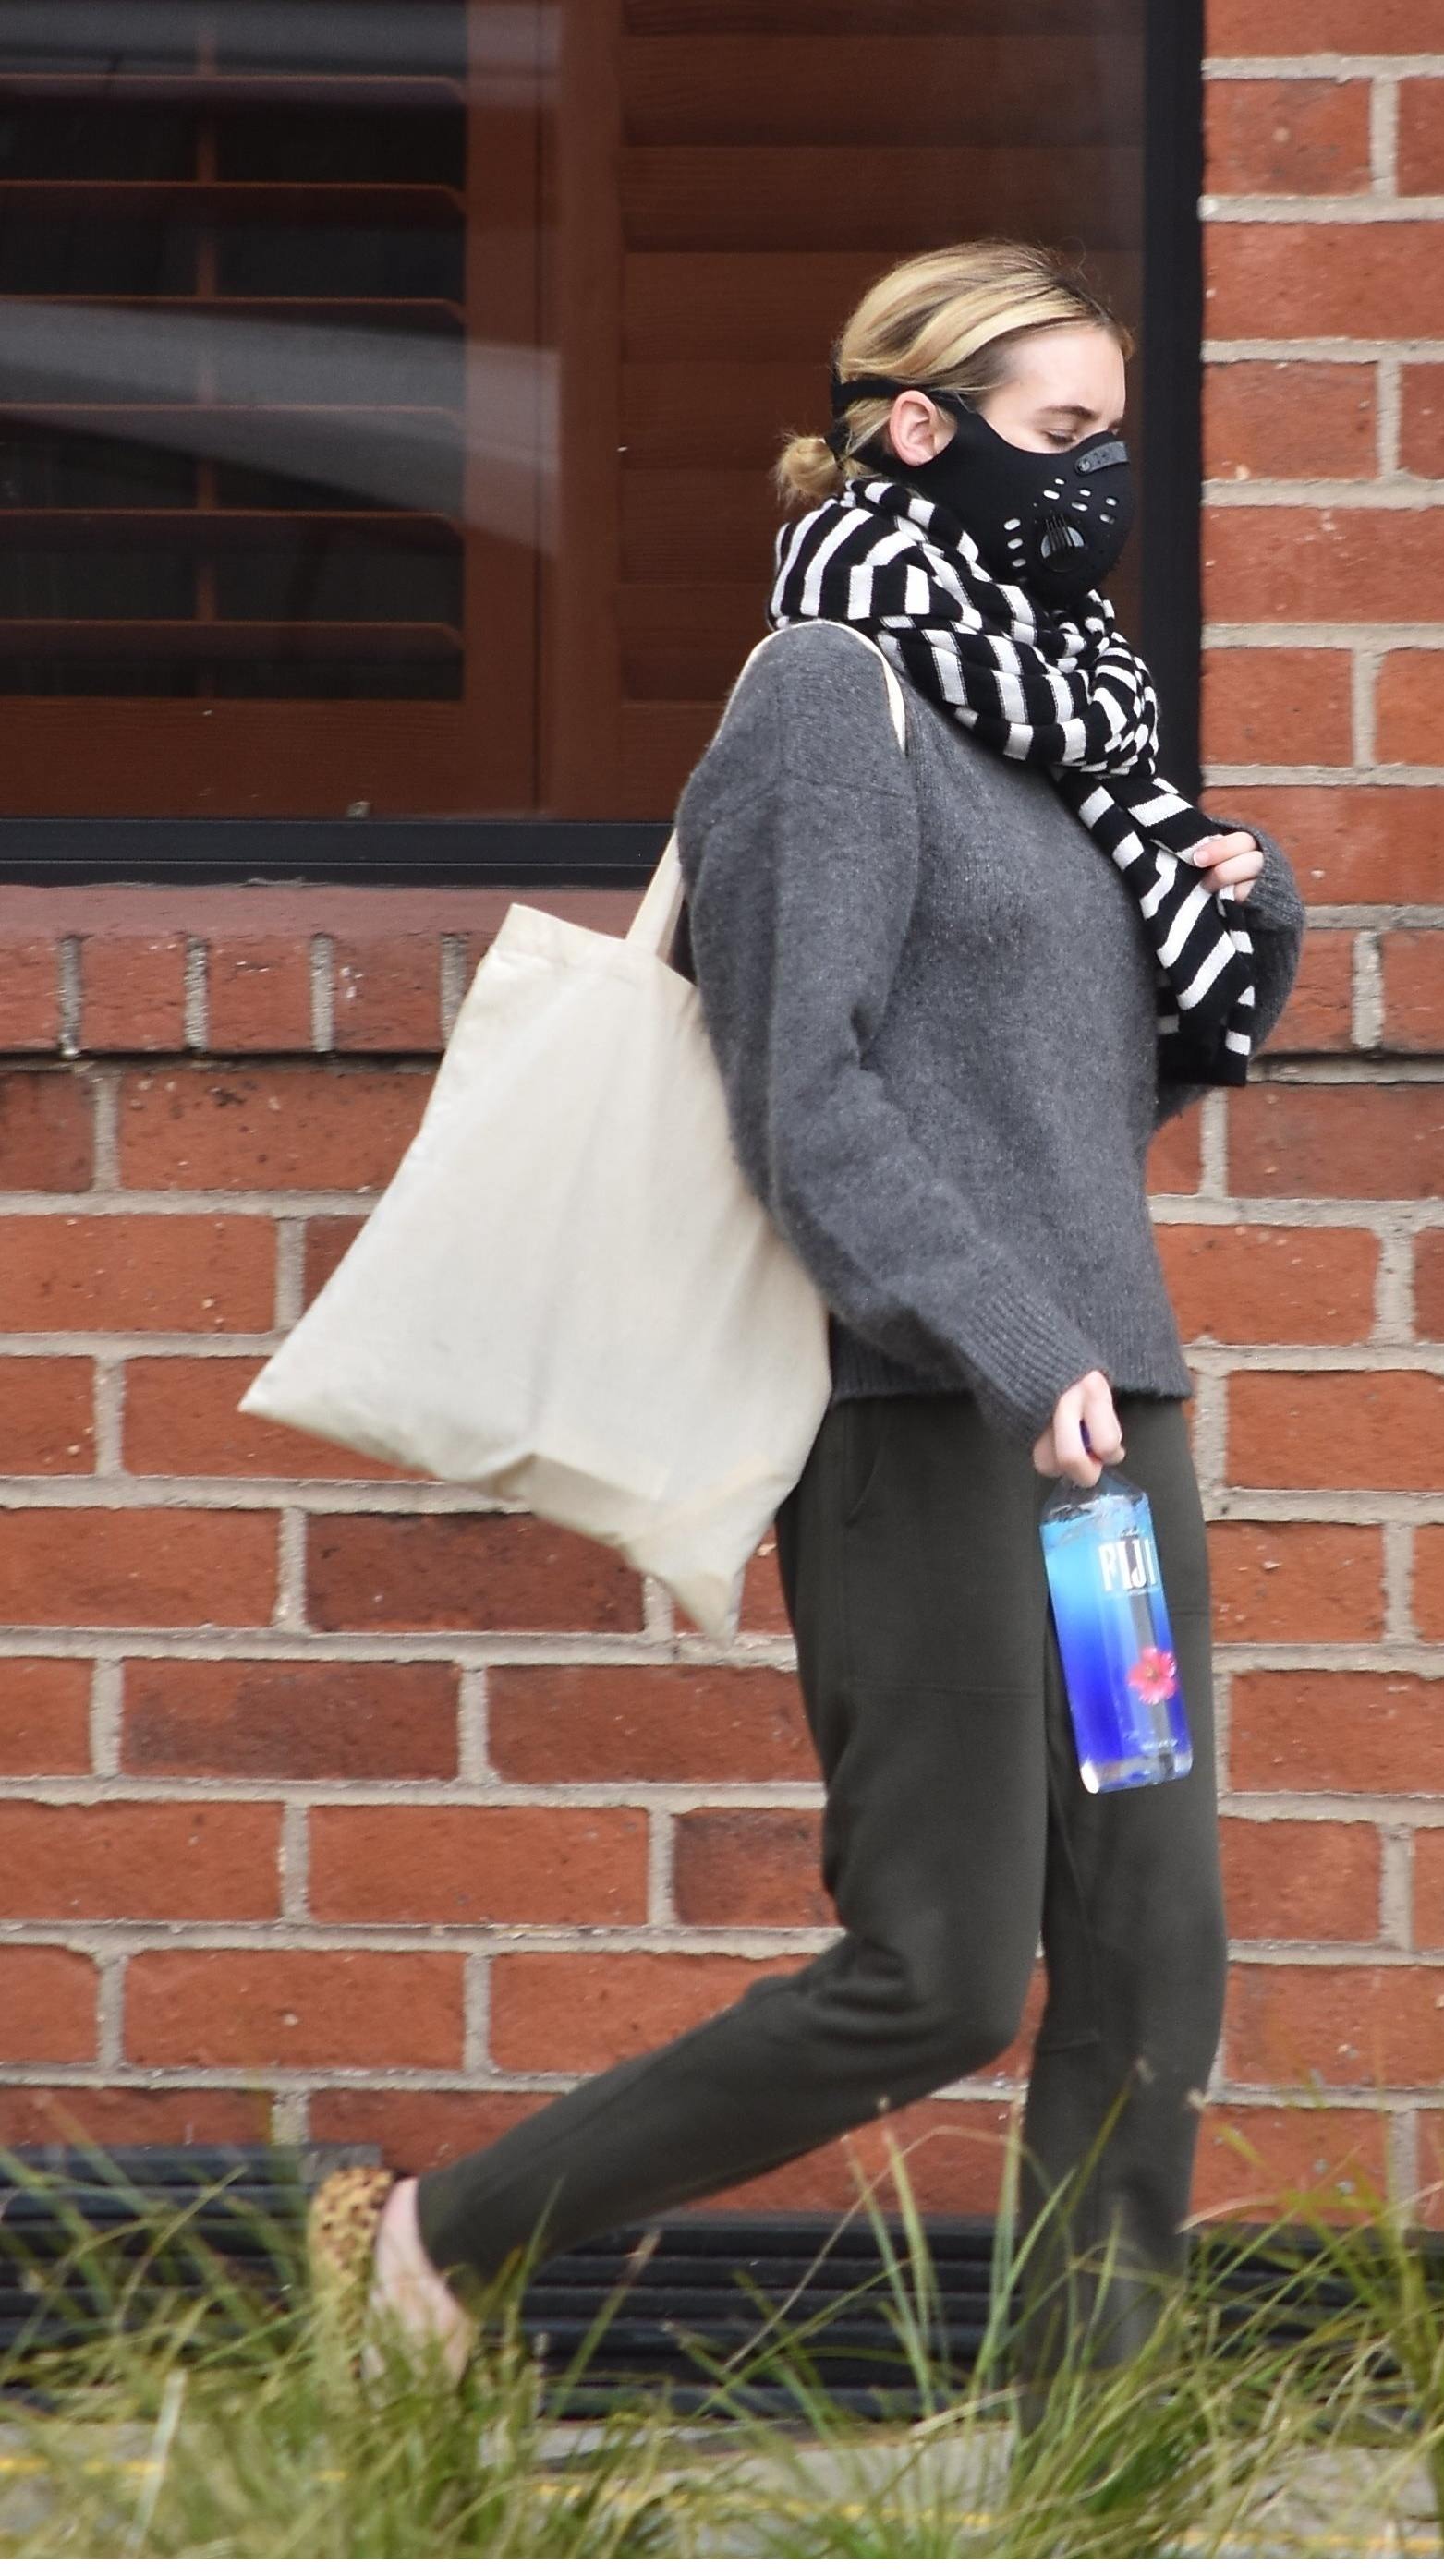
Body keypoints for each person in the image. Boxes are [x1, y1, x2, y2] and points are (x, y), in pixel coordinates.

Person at [307, 236, 1307, 2414]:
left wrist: (1244, 903)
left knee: (1145, 1942)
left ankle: (1095, 2460)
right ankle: (433, 2240)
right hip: (928, 1423)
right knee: (940, 1971)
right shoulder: (824, 704)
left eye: (1111, 439)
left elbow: (1074, 1100)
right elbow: (804, 1090)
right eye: (1060, 437)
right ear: (918, 433)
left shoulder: (1066, 717)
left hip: (1098, 1429)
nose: (1097, 482)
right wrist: (989, 1333)